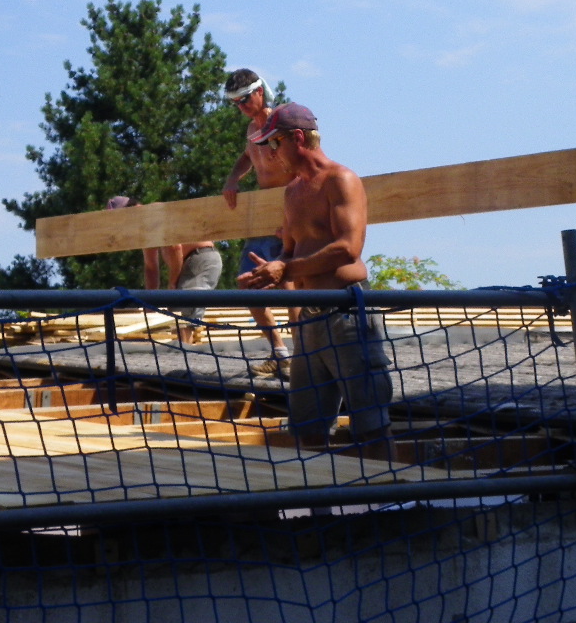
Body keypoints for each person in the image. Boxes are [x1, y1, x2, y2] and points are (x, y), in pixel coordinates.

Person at [237, 103, 392, 460]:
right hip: (309, 320)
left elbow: (348, 248)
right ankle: (315, 496)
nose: (271, 154)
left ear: (298, 138)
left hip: (347, 313)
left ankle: (395, 491)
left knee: (371, 424)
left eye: (274, 143)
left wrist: (286, 270)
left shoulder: (341, 180)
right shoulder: (292, 191)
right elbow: (289, 253)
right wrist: (267, 272)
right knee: (306, 428)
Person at [222, 68, 299, 379]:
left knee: (291, 287)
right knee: (248, 286)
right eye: (235, 103)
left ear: (259, 92)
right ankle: (281, 354)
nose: (241, 107)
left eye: (244, 99)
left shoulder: (284, 123)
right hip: (265, 220)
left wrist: (295, 220)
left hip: (291, 215)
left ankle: (305, 356)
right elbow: (247, 156)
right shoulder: (253, 130)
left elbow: (307, 165)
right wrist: (232, 179)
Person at [105, 196, 221, 345]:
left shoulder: (153, 213)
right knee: (176, 312)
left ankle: (185, 352)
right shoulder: (144, 228)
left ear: (130, 211)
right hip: (190, 262)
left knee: (182, 311)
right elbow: (151, 267)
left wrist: (173, 282)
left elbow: (175, 248)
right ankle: (183, 350)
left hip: (200, 259)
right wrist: (149, 302)